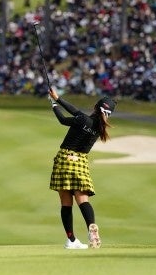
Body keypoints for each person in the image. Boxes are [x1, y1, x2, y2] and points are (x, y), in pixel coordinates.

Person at [47, 88, 116, 249]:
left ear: (95, 107)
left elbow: (64, 119)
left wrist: (54, 103)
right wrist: (57, 99)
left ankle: (71, 240)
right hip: (80, 161)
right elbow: (75, 112)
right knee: (82, 199)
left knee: (66, 203)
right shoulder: (100, 129)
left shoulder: (83, 120)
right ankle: (91, 225)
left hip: (64, 159)